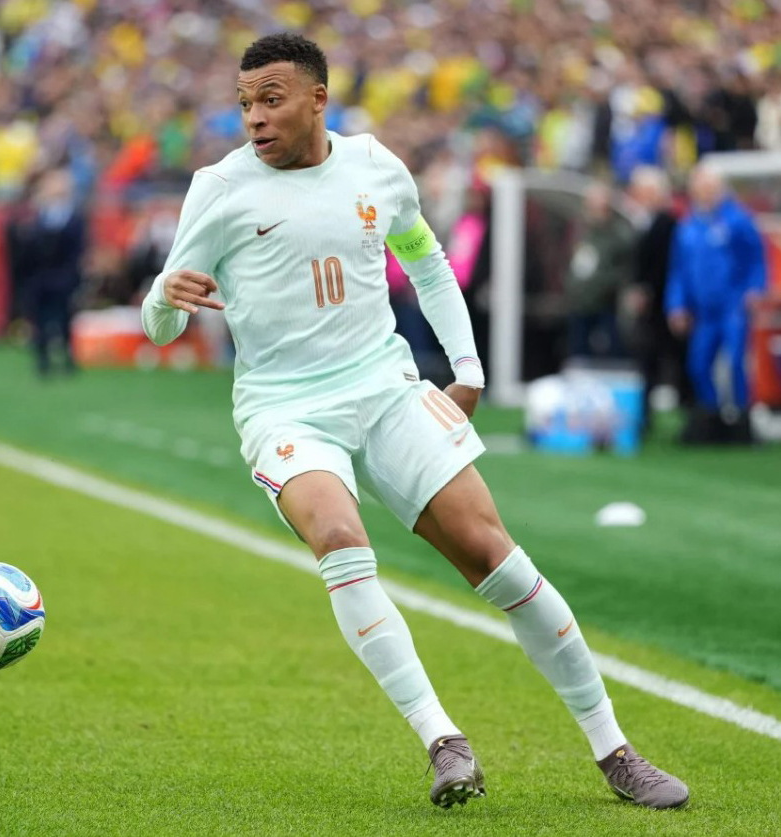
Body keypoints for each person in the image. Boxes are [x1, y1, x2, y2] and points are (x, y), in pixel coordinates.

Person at [141, 34, 688, 811]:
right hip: (285, 406)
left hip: (385, 387)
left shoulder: (375, 167)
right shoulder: (219, 188)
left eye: (271, 100)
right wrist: (163, 297)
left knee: (497, 559)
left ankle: (616, 751)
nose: (254, 118)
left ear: (318, 99)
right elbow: (160, 322)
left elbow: (426, 262)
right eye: (245, 104)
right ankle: (443, 740)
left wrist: (468, 370)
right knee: (339, 537)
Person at [666, 166, 766, 442]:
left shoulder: (738, 220)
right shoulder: (688, 227)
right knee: (698, 363)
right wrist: (676, 305)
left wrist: (755, 289)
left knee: (735, 361)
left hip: (732, 305)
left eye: (709, 188)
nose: (704, 194)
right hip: (704, 312)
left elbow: (756, 259)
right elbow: (679, 272)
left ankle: (741, 418)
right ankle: (710, 416)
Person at [627, 166, 688, 429]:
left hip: (665, 305)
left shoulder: (668, 224)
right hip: (654, 306)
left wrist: (647, 291)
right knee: (650, 363)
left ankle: (691, 417)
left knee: (673, 360)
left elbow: (666, 266)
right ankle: (645, 416)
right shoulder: (646, 222)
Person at [22, 168, 85, 377]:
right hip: (41, 278)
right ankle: (43, 360)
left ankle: (68, 359)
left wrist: (72, 276)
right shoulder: (39, 216)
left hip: (64, 278)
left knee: (64, 319)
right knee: (40, 320)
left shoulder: (74, 217)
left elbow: (78, 250)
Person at [564, 181, 634, 359]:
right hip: (580, 304)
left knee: (611, 351)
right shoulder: (581, 230)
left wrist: (604, 284)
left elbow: (625, 269)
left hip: (606, 305)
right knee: (578, 351)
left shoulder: (619, 234)